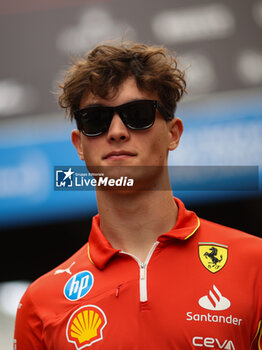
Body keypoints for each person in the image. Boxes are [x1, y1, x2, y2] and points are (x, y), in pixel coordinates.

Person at [14, 41, 262, 350]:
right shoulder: (41, 303)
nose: (117, 131)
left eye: (137, 113)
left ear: (173, 134)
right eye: (96, 119)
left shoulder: (255, 264)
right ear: (79, 144)